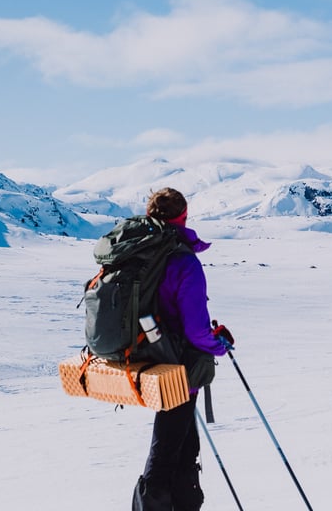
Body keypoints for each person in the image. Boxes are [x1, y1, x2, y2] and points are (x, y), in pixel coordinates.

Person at [132, 187, 233, 511]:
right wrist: (219, 344)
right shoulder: (183, 262)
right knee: (167, 453)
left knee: (182, 447)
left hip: (145, 360)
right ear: (183, 217)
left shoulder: (138, 253)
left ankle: (185, 502)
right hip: (177, 367)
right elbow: (195, 330)